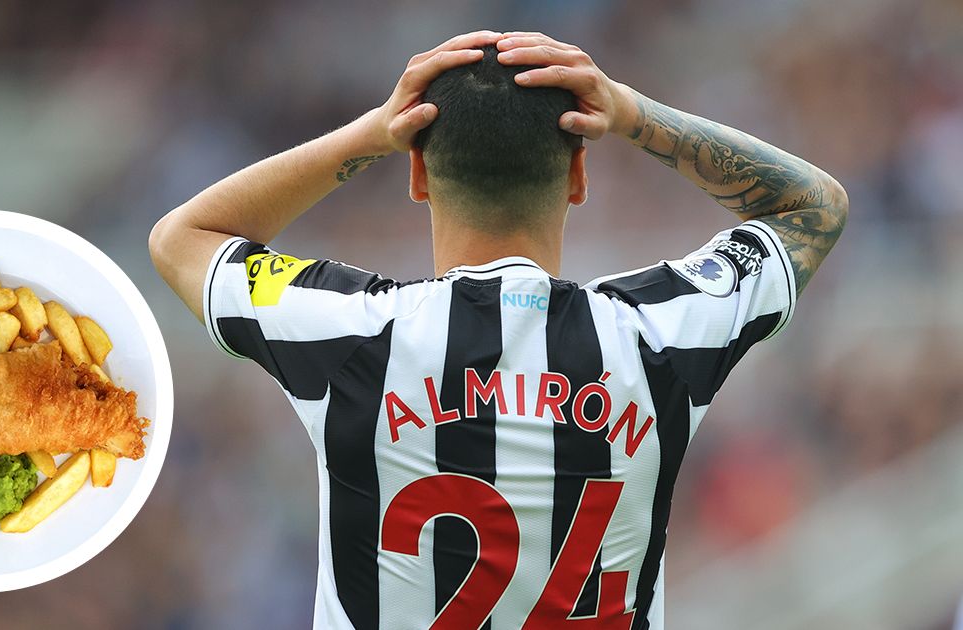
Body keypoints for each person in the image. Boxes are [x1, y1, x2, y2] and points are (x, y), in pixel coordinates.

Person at [150, 30, 847, 630]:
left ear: (417, 174)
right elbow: (812, 207)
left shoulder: (349, 333)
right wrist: (631, 113)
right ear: (579, 174)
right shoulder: (657, 334)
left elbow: (184, 237)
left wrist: (373, 132)